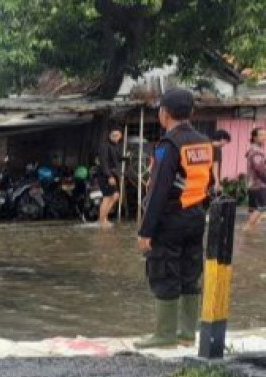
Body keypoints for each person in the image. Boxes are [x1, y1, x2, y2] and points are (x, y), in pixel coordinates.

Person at [135, 88, 214, 349]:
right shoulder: (204, 142)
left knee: (165, 271)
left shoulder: (169, 145)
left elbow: (158, 191)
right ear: (191, 113)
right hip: (196, 216)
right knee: (190, 271)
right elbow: (209, 182)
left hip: (171, 219)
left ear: (164, 113)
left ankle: (165, 335)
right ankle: (187, 334)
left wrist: (146, 232)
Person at [97, 126, 124, 228]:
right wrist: (109, 176)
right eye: (113, 135)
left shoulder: (115, 146)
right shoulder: (104, 146)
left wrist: (125, 158)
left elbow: (117, 159)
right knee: (107, 197)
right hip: (105, 174)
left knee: (115, 196)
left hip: (113, 173)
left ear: (120, 136)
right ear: (109, 136)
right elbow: (103, 162)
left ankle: (104, 218)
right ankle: (101, 221)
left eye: (117, 135)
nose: (115, 137)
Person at [247, 127, 266, 230]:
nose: (264, 138)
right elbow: (260, 169)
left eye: (265, 135)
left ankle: (250, 235)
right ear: (254, 137)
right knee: (261, 207)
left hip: (253, 185)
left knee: (253, 210)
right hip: (258, 184)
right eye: (261, 135)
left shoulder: (254, 150)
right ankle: (246, 231)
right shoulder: (256, 151)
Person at [210, 129, 232, 195]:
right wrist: (217, 182)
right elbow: (215, 166)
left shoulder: (207, 145)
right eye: (226, 141)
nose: (225, 144)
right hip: (211, 179)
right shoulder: (216, 148)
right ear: (222, 139)